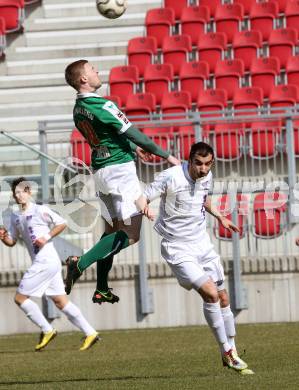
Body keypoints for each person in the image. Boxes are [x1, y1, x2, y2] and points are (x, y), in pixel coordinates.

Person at [64, 59, 180, 303]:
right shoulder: (103, 104)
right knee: (131, 234)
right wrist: (167, 156)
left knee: (111, 231)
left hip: (102, 172)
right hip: (119, 173)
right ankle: (79, 263)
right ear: (83, 79)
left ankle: (102, 287)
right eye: (92, 70)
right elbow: (133, 132)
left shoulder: (78, 108)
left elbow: (108, 134)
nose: (97, 72)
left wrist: (132, 149)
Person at [140, 142, 254, 374]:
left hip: (203, 244)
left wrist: (221, 217)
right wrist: (146, 208)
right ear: (189, 160)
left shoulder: (207, 177)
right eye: (198, 164)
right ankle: (226, 352)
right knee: (211, 293)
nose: (203, 169)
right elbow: (142, 196)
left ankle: (232, 348)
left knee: (223, 297)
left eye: (207, 164)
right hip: (177, 248)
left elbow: (204, 199)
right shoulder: (170, 177)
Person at [0, 178, 99, 352]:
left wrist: (46, 237)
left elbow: (62, 223)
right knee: (60, 301)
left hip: (45, 261)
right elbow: (12, 241)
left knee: (20, 298)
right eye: (16, 193)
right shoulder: (15, 217)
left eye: (22, 191)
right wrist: (3, 237)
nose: (19, 196)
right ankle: (90, 332)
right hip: (46, 262)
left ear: (29, 192)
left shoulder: (40, 210)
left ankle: (47, 330)